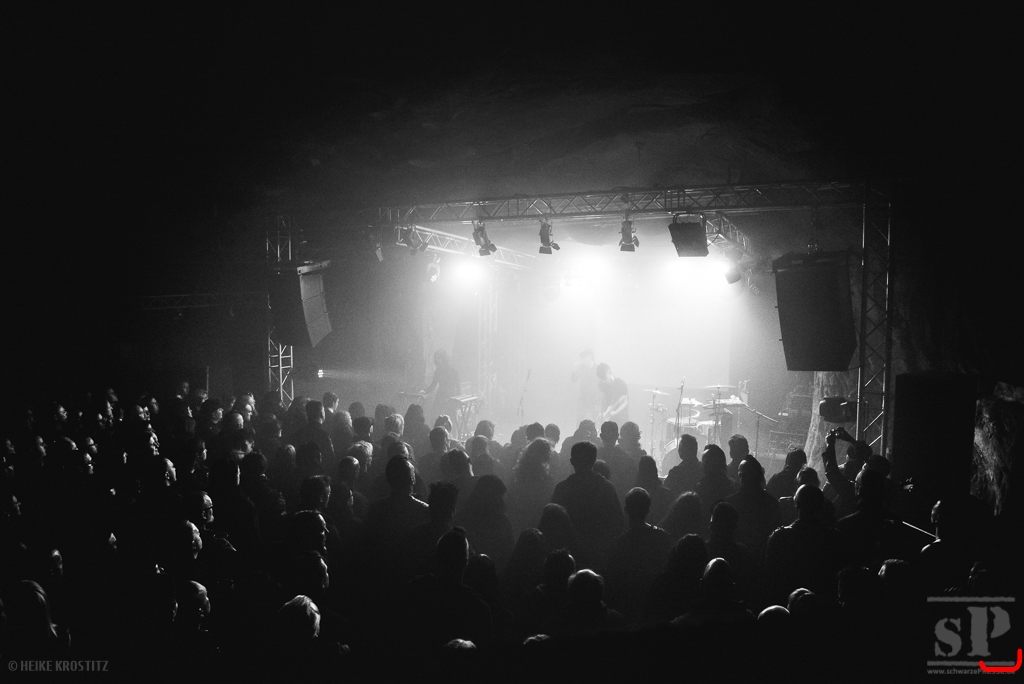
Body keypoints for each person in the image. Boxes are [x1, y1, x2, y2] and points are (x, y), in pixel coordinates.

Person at [550, 440, 623, 570]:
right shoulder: (607, 488)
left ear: (572, 461)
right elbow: (618, 522)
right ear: (594, 461)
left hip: (568, 556)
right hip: (599, 555)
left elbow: (552, 523)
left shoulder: (562, 489)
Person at [423, 349, 460, 426]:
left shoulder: (442, 370)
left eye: (437, 358)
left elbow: (433, 384)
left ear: (442, 358)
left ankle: (437, 429)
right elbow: (457, 386)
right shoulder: (449, 369)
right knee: (447, 417)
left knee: (436, 416)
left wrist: (425, 391)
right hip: (447, 396)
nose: (436, 360)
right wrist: (458, 398)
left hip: (445, 396)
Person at [570, 349, 599, 425]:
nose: (582, 360)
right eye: (582, 358)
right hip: (583, 398)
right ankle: (578, 432)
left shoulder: (597, 368)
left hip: (594, 399)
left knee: (597, 419)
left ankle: (599, 432)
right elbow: (573, 379)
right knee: (579, 419)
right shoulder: (582, 368)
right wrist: (573, 370)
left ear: (590, 357)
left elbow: (600, 386)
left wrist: (598, 401)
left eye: (584, 357)